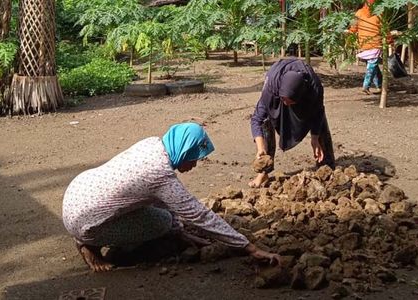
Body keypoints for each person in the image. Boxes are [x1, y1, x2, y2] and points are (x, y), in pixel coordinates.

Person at [62, 122, 281, 272]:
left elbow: (156, 198)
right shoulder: (160, 174)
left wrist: (182, 232)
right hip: (84, 220)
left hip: (77, 192)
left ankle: (93, 234)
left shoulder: (152, 145)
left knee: (167, 215)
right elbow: (201, 216)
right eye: (194, 158)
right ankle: (88, 243)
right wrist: (249, 247)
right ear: (184, 151)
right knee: (162, 223)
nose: (194, 165)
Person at [249, 58, 335, 188]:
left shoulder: (314, 88)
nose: (286, 104)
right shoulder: (272, 85)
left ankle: (326, 168)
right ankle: (264, 172)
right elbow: (257, 119)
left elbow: (318, 112)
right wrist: (261, 149)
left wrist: (315, 139)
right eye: (284, 100)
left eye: (290, 101)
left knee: (320, 119)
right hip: (278, 88)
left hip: (302, 98)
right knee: (266, 120)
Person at [349, 0, 383, 95]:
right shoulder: (379, 13)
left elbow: (353, 28)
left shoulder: (358, 13)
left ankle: (380, 85)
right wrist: (390, 40)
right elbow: (385, 28)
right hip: (376, 43)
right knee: (372, 65)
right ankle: (366, 85)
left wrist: (350, 33)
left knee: (373, 64)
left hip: (364, 43)